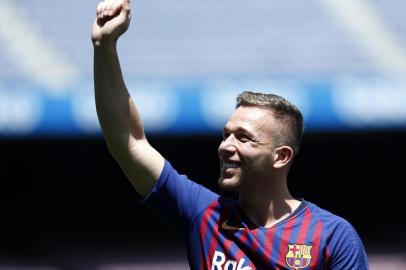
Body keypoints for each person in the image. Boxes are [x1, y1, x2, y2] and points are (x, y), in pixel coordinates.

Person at [91, 0, 369, 269]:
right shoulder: (204, 215)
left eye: (243, 137)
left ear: (281, 157)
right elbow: (128, 143)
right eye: (226, 135)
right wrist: (105, 46)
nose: (225, 146)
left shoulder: (332, 237)